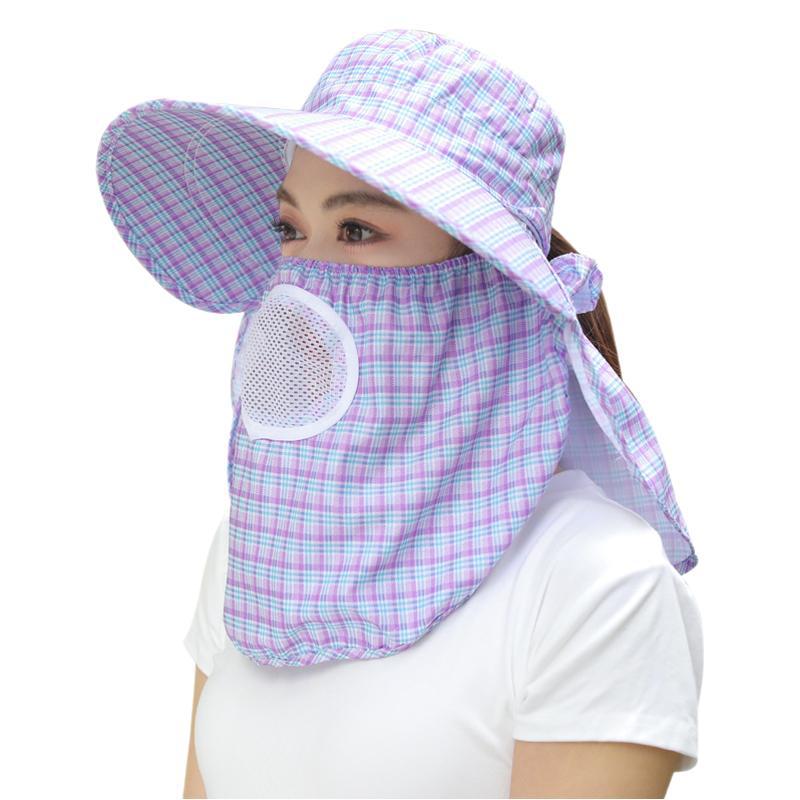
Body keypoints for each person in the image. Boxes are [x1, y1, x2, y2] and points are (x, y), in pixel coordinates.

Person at [95, 29, 702, 799]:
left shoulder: (592, 577)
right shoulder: (253, 548)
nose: (303, 275)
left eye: (358, 230)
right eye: (289, 229)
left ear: (489, 281)